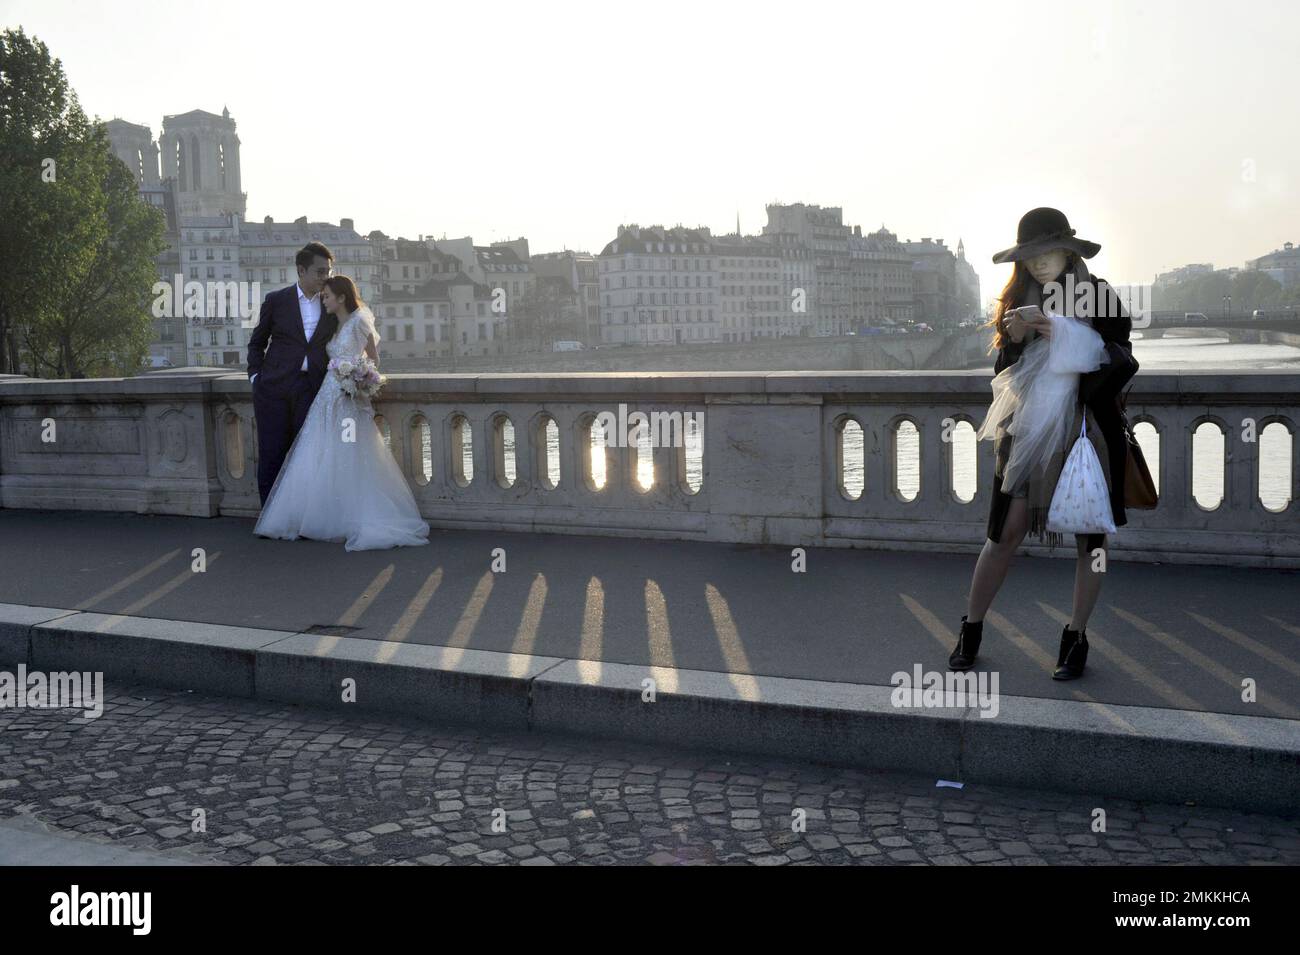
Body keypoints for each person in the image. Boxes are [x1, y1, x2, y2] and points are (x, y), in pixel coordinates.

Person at [951, 207, 1136, 680]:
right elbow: (1006, 379)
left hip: (1086, 431)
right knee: (1003, 535)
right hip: (1029, 432)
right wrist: (1013, 340)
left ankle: (1075, 637)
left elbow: (1122, 361)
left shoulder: (1099, 295)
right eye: (1028, 257)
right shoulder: (1017, 298)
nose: (1036, 264)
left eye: (1044, 252)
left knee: (1090, 542)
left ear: (1068, 250)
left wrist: (1058, 329)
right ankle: (971, 628)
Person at [253, 275, 430, 552]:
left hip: (346, 396)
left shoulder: (360, 320)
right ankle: (320, 516)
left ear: (341, 297)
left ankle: (344, 518)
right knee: (320, 451)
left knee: (349, 453)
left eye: (327, 296)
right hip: (327, 394)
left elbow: (373, 359)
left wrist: (358, 378)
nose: (323, 300)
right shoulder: (337, 323)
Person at [247, 241, 337, 505]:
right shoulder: (276, 301)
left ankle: (304, 516)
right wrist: (255, 378)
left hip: (312, 389)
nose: (326, 277)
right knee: (272, 455)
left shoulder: (330, 303)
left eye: (328, 271)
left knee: (309, 456)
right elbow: (257, 342)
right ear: (301, 270)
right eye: (320, 272)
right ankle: (269, 518)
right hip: (273, 390)